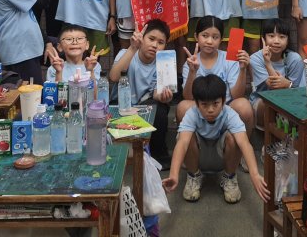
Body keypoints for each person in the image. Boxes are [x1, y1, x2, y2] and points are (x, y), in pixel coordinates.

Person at [162, 75, 269, 204]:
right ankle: (194, 176)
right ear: (197, 104)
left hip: (222, 158)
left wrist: (255, 174)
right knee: (184, 137)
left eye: (215, 103)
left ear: (223, 101)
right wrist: (173, 175)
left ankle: (229, 177)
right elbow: (182, 144)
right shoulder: (192, 114)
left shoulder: (230, 114)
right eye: (204, 104)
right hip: (198, 157)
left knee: (235, 138)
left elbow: (245, 144)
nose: (210, 110)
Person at [109, 19, 174, 164]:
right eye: (151, 39)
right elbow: (113, 77)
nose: (155, 45)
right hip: (120, 104)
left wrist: (164, 97)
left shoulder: (165, 63)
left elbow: (157, 94)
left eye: (160, 42)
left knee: (161, 109)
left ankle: (159, 155)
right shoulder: (126, 52)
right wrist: (132, 48)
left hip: (144, 106)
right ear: (142, 38)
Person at [178, 16, 253, 133]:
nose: (209, 41)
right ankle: (193, 142)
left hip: (225, 110)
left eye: (215, 37)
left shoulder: (230, 60)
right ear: (196, 37)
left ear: (221, 39)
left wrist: (243, 69)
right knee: (182, 107)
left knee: (244, 105)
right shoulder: (191, 62)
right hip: (200, 110)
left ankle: (241, 143)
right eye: (205, 35)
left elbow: (237, 95)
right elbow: (188, 97)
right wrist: (192, 71)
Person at [248, 18, 304, 128]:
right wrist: (268, 63)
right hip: (262, 102)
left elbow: (297, 91)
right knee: (269, 103)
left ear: (288, 40)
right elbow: (274, 87)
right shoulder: (255, 59)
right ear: (263, 39)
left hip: (289, 100)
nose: (276, 41)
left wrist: (288, 84)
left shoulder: (295, 59)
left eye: (282, 37)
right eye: (271, 36)